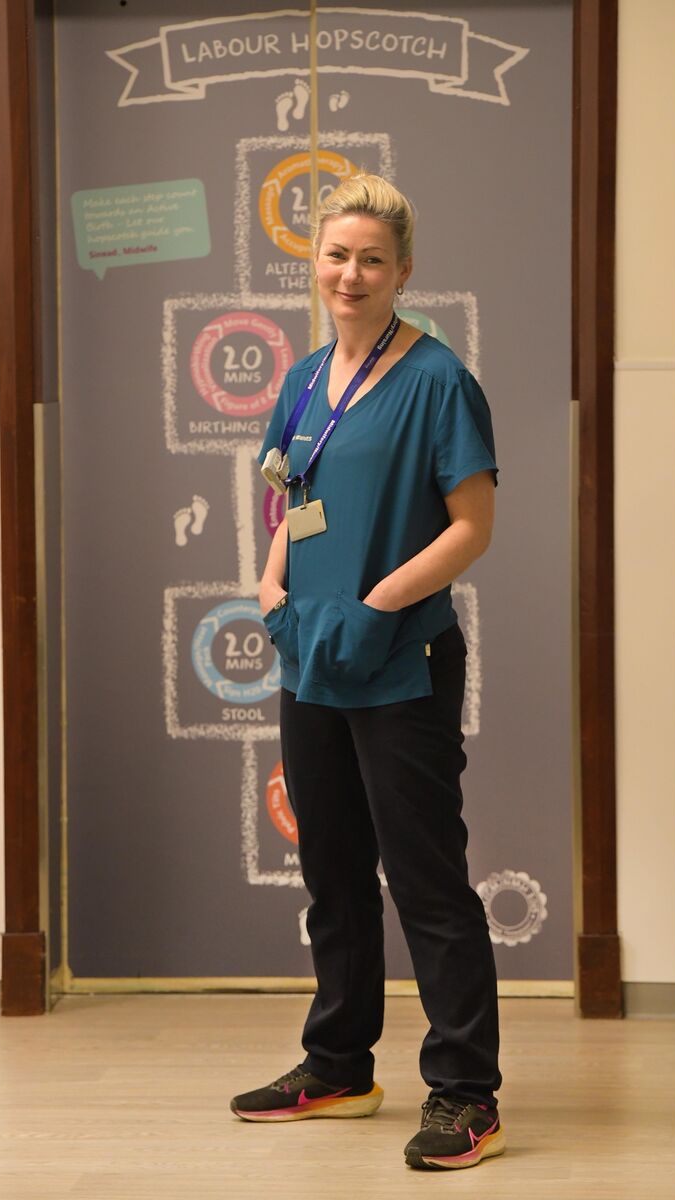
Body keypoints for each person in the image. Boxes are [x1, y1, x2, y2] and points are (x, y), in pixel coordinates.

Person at [229, 174, 504, 1172]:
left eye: (371, 259)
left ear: (402, 271)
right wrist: (270, 588)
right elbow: (288, 499)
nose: (350, 274)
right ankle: (338, 1064)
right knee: (331, 874)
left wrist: (374, 605)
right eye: (335, 256)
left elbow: (471, 526)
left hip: (401, 661)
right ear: (314, 264)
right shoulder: (303, 381)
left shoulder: (437, 379)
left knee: (426, 881)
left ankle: (465, 1092)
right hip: (311, 659)